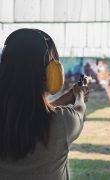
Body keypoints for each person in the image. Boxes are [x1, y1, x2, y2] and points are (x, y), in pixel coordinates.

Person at [0, 28, 88, 180]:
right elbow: (79, 110)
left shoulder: (9, 120)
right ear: (49, 73)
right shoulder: (63, 123)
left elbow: (24, 114)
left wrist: (67, 97)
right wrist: (79, 94)